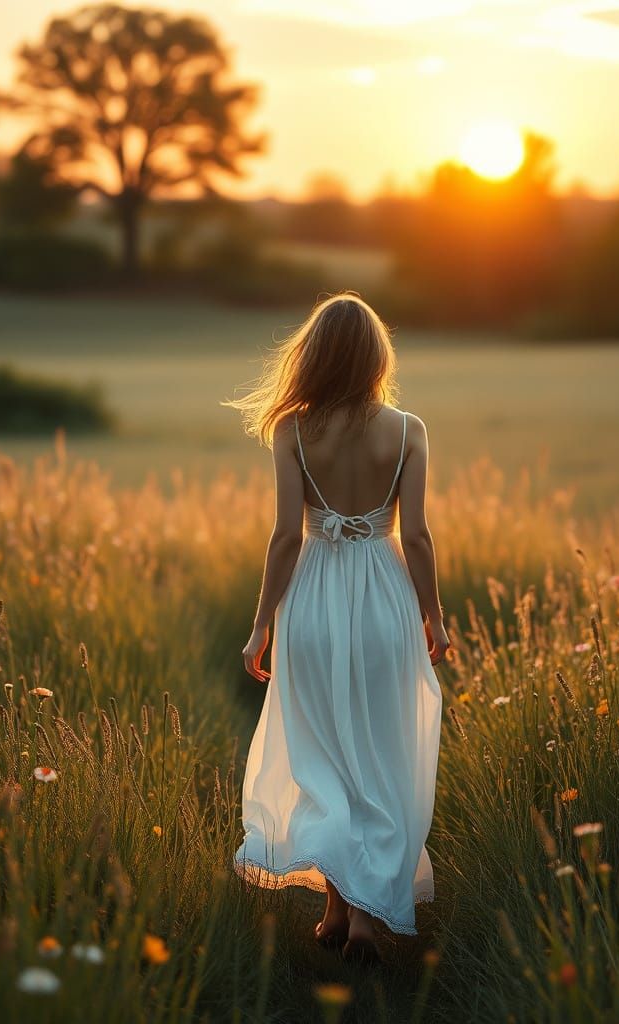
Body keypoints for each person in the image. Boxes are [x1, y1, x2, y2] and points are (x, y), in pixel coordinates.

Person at [222, 291, 448, 964]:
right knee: (375, 753)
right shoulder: (408, 430)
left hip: (315, 602)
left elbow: (285, 538)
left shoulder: (293, 429)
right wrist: (433, 615)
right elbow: (420, 538)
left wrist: (262, 623)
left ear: (314, 357)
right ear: (379, 356)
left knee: (322, 756)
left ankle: (343, 914)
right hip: (384, 600)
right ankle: (356, 919)